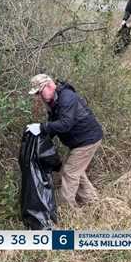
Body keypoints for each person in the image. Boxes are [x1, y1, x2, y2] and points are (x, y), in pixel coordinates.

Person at [26, 74, 103, 208]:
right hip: (79, 142)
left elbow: (65, 124)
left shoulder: (66, 97)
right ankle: (93, 202)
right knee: (75, 171)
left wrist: (41, 127)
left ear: (49, 86)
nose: (39, 96)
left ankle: (67, 209)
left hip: (88, 140)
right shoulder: (53, 101)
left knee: (69, 172)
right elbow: (54, 125)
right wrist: (40, 136)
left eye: (39, 92)